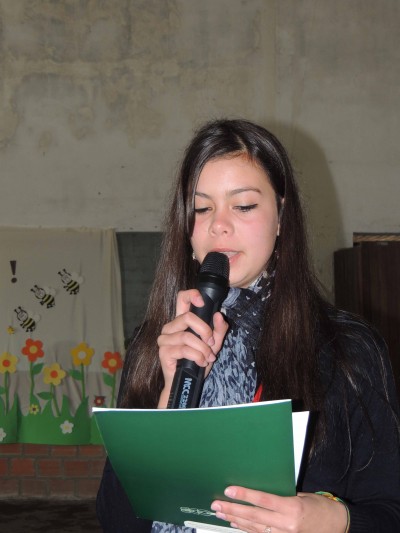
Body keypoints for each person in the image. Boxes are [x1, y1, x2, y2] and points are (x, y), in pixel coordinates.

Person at [96, 119, 400, 532]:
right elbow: (116, 521)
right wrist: (166, 403)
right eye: (202, 208)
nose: (219, 225)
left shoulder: (350, 349)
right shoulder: (155, 344)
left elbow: (389, 510)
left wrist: (334, 519)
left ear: (281, 217)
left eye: (243, 206)